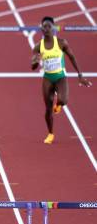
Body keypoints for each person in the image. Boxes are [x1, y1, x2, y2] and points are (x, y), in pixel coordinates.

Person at [31, 16, 92, 144]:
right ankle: (50, 134)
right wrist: (36, 62)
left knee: (63, 100)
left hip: (60, 77)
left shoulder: (61, 42)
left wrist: (80, 75)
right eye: (44, 26)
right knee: (48, 109)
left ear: (53, 27)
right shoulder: (38, 47)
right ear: (41, 28)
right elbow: (33, 67)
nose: (46, 29)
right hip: (47, 78)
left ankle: (58, 104)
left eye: (49, 26)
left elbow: (72, 57)